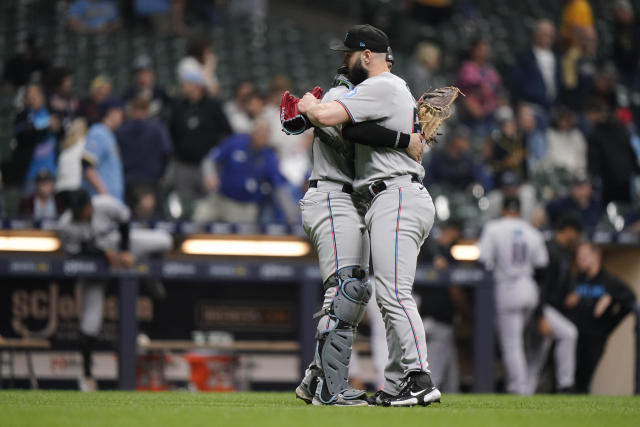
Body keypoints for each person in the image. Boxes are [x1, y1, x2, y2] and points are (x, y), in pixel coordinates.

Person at [299, 24, 442, 407]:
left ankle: (418, 377)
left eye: (348, 55)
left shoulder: (380, 85)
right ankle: (395, 383)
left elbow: (329, 117)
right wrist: (404, 138)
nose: (343, 63)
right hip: (387, 194)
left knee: (392, 293)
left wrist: (308, 107)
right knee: (381, 294)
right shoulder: (390, 88)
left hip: (394, 193)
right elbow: (354, 133)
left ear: (365, 56)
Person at [57, 189, 172, 391]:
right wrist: (104, 254)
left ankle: (147, 274)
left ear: (89, 205)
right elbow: (74, 251)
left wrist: (126, 251)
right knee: (90, 321)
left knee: (165, 240)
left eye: (81, 209)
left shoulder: (104, 204)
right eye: (75, 210)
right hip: (94, 265)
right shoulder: (65, 224)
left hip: (119, 245)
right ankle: (87, 376)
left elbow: (125, 220)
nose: (78, 213)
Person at [478, 196, 549, 395]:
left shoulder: (494, 228)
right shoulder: (532, 232)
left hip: (507, 288)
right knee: (520, 341)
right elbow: (542, 265)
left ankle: (520, 388)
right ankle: (520, 383)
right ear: (519, 210)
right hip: (529, 287)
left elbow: (483, 260)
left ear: (502, 209)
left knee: (512, 344)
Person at [565, 241, 636, 393]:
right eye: (578, 257)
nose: (580, 260)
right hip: (575, 335)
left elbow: (630, 301)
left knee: (584, 379)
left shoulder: (609, 282)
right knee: (570, 378)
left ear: (596, 256)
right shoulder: (577, 280)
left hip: (595, 338)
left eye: (584, 256)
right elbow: (565, 303)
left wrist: (610, 299)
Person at [193, 120, 296, 224]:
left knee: (239, 237)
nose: (261, 137)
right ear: (253, 132)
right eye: (259, 133)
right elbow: (210, 160)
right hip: (219, 198)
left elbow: (279, 188)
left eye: (265, 135)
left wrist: (291, 216)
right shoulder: (236, 142)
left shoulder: (269, 158)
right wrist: (210, 175)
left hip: (244, 207)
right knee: (198, 221)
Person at [527, 216, 582, 394]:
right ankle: (565, 385)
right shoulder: (548, 249)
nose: (576, 238)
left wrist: (570, 291)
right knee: (569, 334)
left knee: (537, 354)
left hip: (548, 308)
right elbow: (540, 285)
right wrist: (541, 316)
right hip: (540, 307)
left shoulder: (563, 252)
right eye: (576, 234)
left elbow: (564, 281)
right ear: (568, 231)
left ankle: (525, 391)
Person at [169, 68, 231, 213]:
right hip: (184, 165)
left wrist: (218, 155)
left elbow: (227, 132)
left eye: (186, 83)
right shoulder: (178, 106)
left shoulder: (213, 106)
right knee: (184, 205)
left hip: (208, 165)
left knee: (210, 204)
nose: (183, 86)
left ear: (196, 85)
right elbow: (171, 133)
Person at [418, 220, 470, 392]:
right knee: (435, 373)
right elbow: (455, 291)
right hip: (441, 321)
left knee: (450, 372)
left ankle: (452, 394)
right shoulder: (444, 253)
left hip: (423, 319)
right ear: (453, 231)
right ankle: (425, 395)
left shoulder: (425, 252)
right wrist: (466, 313)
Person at [116, 96, 172, 208]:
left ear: (132, 111)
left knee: (129, 217)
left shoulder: (121, 129)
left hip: (127, 179)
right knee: (147, 219)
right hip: (149, 180)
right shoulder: (157, 128)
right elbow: (167, 150)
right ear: (147, 110)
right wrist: (161, 173)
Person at [4, 84, 59, 191]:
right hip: (30, 172)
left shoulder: (51, 113)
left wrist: (57, 127)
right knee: (29, 204)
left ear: (42, 97)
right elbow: (24, 132)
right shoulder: (22, 116)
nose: (33, 100)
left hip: (50, 169)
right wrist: (46, 125)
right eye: (30, 97)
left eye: (36, 96)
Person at [586, 103, 639, 204]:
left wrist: (592, 179)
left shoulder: (595, 134)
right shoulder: (621, 127)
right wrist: (635, 169)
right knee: (625, 210)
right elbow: (631, 152)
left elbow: (593, 159)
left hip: (608, 180)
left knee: (608, 212)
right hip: (625, 177)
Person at [456, 38, 502, 138]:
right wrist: (472, 107)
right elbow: (463, 93)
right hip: (472, 116)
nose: (484, 53)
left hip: (491, 114)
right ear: (473, 51)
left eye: (486, 50)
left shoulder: (490, 69)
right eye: (481, 50)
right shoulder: (467, 68)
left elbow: (496, 90)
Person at [511, 20, 560, 112]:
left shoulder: (555, 57)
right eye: (545, 34)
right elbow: (517, 82)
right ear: (536, 34)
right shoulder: (525, 57)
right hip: (531, 107)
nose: (549, 38)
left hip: (551, 108)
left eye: (551, 35)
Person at [82, 98, 125, 201]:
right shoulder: (98, 132)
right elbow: (87, 164)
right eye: (120, 112)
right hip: (102, 201)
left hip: (112, 201)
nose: (122, 116)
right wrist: (104, 193)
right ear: (111, 112)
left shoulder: (109, 134)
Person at [427, 125, 488, 192]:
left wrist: (474, 186)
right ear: (453, 139)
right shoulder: (438, 158)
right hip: (442, 195)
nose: (465, 143)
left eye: (466, 139)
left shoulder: (469, 160)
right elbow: (430, 180)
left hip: (463, 195)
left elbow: (479, 180)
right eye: (462, 139)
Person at [123, 55, 171, 120]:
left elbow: (169, 111)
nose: (143, 76)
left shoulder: (161, 92)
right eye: (140, 73)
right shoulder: (129, 93)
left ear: (152, 73)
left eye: (146, 72)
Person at [543, 107, 587, 176]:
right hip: (556, 173)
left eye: (566, 120)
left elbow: (582, 157)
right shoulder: (550, 134)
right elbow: (548, 156)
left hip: (575, 173)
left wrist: (580, 173)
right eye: (561, 120)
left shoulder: (577, 135)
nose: (563, 123)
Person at [612, 0, 640, 89]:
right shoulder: (618, 28)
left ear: (627, 12)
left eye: (619, 12)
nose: (618, 16)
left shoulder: (636, 26)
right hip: (623, 69)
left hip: (636, 69)